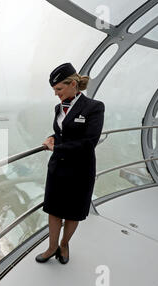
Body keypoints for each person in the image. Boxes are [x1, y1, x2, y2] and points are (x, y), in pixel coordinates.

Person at [36, 63, 105, 264]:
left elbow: (89, 142)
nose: (56, 94)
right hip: (58, 167)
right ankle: (51, 247)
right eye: (54, 90)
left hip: (81, 169)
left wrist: (57, 148)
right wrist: (51, 138)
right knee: (54, 210)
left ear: (73, 84)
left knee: (74, 213)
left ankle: (64, 244)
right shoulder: (58, 108)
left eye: (59, 89)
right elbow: (62, 133)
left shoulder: (94, 107)